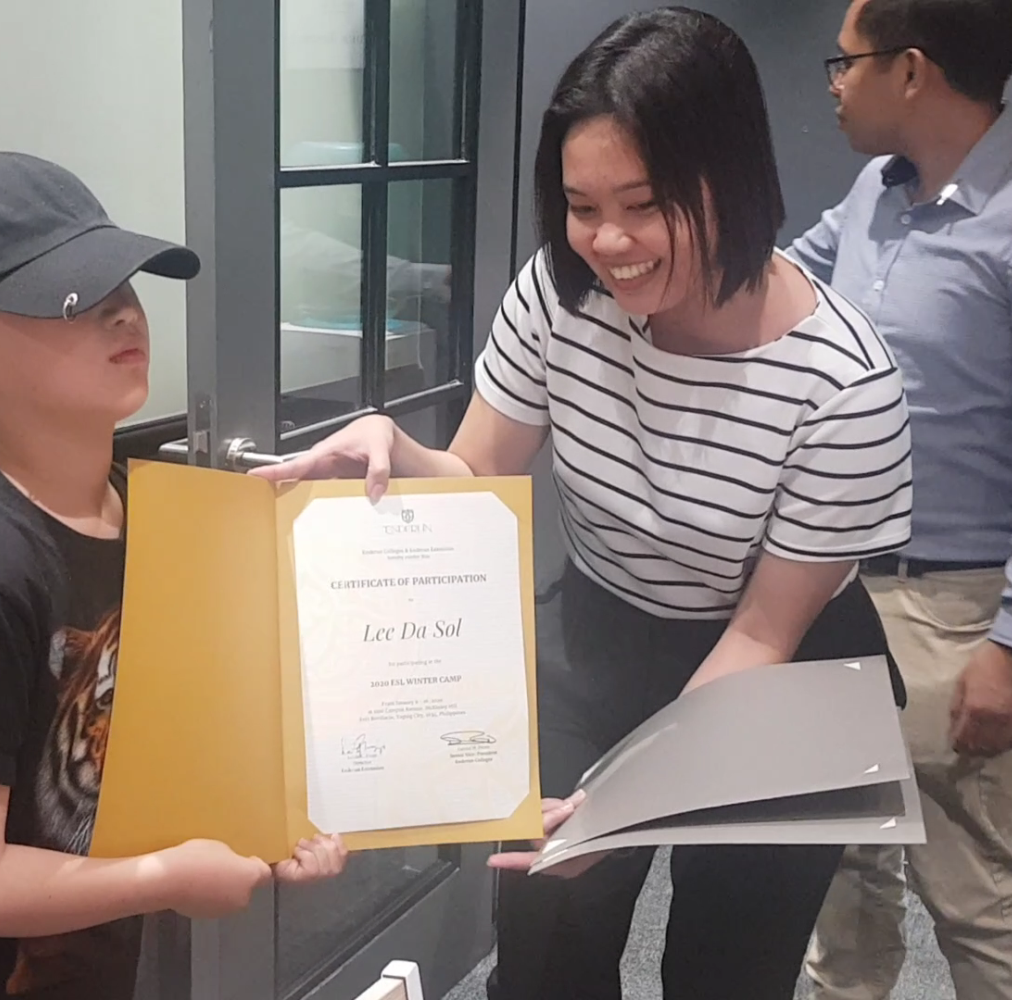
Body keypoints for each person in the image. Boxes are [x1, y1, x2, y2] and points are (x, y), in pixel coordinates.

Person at [256, 10, 914, 999]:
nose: (609, 242)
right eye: (580, 206)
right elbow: (478, 478)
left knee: (729, 966)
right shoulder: (560, 297)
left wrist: (627, 808)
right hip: (602, 634)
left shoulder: (844, 384)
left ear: (730, 179)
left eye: (643, 205)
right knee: (545, 933)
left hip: (776, 671)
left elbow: (762, 634)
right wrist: (397, 450)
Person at [0, 151, 348, 1000]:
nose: (122, 311)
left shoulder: (139, 509)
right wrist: (163, 879)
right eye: (68, 296)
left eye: (121, 280)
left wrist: (272, 826)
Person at [790, 2, 1012, 998]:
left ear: (911, 71)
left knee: (975, 898)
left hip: (953, 612)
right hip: (836, 587)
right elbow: (778, 287)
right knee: (841, 880)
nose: (833, 84)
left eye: (845, 63)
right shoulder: (873, 192)